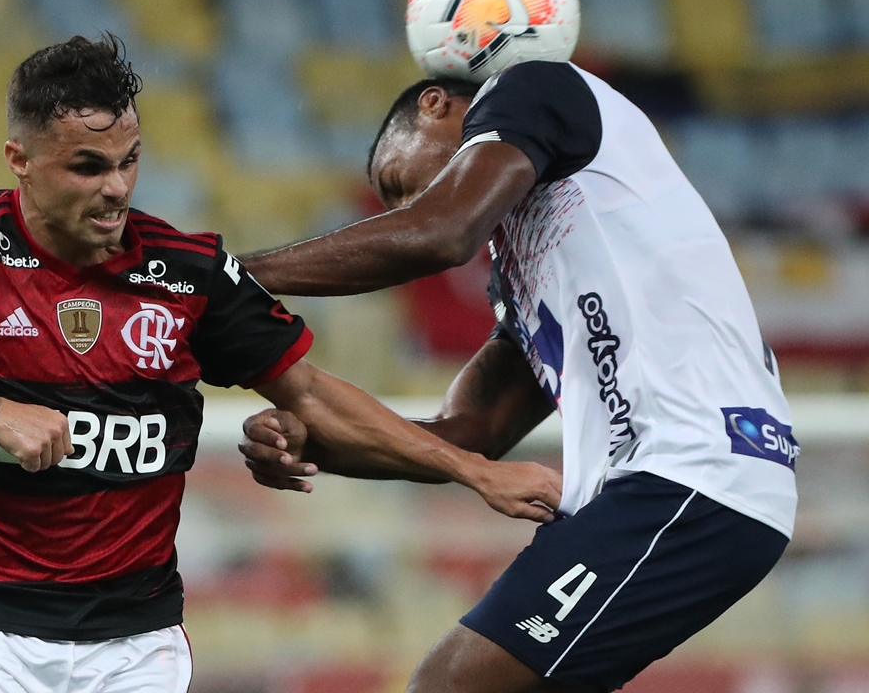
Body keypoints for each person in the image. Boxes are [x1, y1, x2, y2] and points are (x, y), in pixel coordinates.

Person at [0, 34, 561, 693]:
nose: (117, 189)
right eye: (88, 167)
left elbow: (315, 397)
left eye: (129, 161)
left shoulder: (183, 270)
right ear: (19, 161)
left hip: (137, 642)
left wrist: (476, 471)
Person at [238, 59, 798, 693]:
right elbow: (472, 431)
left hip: (694, 472)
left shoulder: (535, 87)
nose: (402, 206)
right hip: (663, 490)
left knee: (450, 684)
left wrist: (223, 277)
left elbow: (435, 235)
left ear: (437, 106)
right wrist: (318, 445)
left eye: (397, 179)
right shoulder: (533, 264)